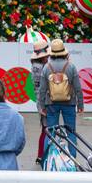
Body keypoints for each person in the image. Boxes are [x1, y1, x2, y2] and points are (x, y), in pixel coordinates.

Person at [35, 37, 84, 159]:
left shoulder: (46, 67)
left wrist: (40, 106)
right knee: (71, 131)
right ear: (64, 52)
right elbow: (78, 88)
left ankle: (47, 159)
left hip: (51, 103)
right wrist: (81, 105)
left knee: (51, 132)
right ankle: (72, 159)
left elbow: (42, 90)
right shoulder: (71, 67)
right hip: (70, 103)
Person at [29, 39, 51, 167]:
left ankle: (40, 155)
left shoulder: (37, 66)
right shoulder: (41, 68)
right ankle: (42, 155)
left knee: (45, 130)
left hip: (41, 102)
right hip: (44, 102)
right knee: (46, 130)